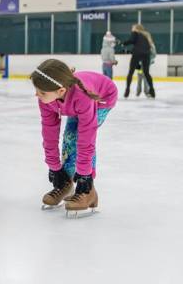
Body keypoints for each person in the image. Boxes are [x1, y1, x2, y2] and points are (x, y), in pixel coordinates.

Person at [31, 59, 118, 216]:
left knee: (77, 138)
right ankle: (65, 183)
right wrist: (54, 167)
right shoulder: (46, 99)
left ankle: (88, 191)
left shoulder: (82, 96)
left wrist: (85, 174)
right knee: (69, 138)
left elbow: (87, 138)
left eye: (42, 92)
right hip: (75, 104)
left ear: (61, 91)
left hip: (101, 98)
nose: (37, 94)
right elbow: (49, 133)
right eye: (37, 90)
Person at [122, 24, 155, 98]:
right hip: (146, 55)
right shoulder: (146, 36)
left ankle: (127, 90)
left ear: (136, 28)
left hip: (137, 54)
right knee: (146, 73)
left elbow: (132, 40)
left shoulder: (135, 33)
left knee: (131, 72)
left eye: (132, 27)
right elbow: (146, 46)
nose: (132, 29)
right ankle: (152, 91)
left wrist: (123, 43)